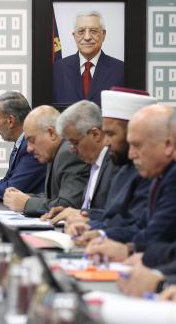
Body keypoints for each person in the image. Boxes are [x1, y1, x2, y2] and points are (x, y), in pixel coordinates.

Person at [64, 88, 156, 246]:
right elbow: (114, 219)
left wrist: (98, 231)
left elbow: (140, 227)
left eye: (111, 134)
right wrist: (92, 227)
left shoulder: (151, 172)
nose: (105, 142)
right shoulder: (124, 170)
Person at [86, 105, 175, 262]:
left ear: (167, 145)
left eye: (137, 145)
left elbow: (156, 236)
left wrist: (128, 251)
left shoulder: (172, 177)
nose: (131, 154)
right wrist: (101, 234)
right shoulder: (160, 175)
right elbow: (142, 227)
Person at [40, 101, 119, 223]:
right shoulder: (94, 164)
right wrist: (71, 212)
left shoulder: (115, 165)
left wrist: (85, 215)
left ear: (96, 134)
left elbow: (118, 216)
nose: (72, 150)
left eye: (75, 143)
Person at [3, 105, 89, 216]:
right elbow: (52, 197)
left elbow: (68, 205)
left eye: (32, 140)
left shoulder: (68, 153)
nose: (29, 149)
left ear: (51, 133)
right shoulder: (53, 153)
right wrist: (24, 197)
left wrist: (27, 203)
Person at [52, 11, 124, 106]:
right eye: (81, 31)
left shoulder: (121, 70)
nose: (87, 37)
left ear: (103, 35)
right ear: (74, 36)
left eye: (93, 31)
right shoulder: (58, 69)